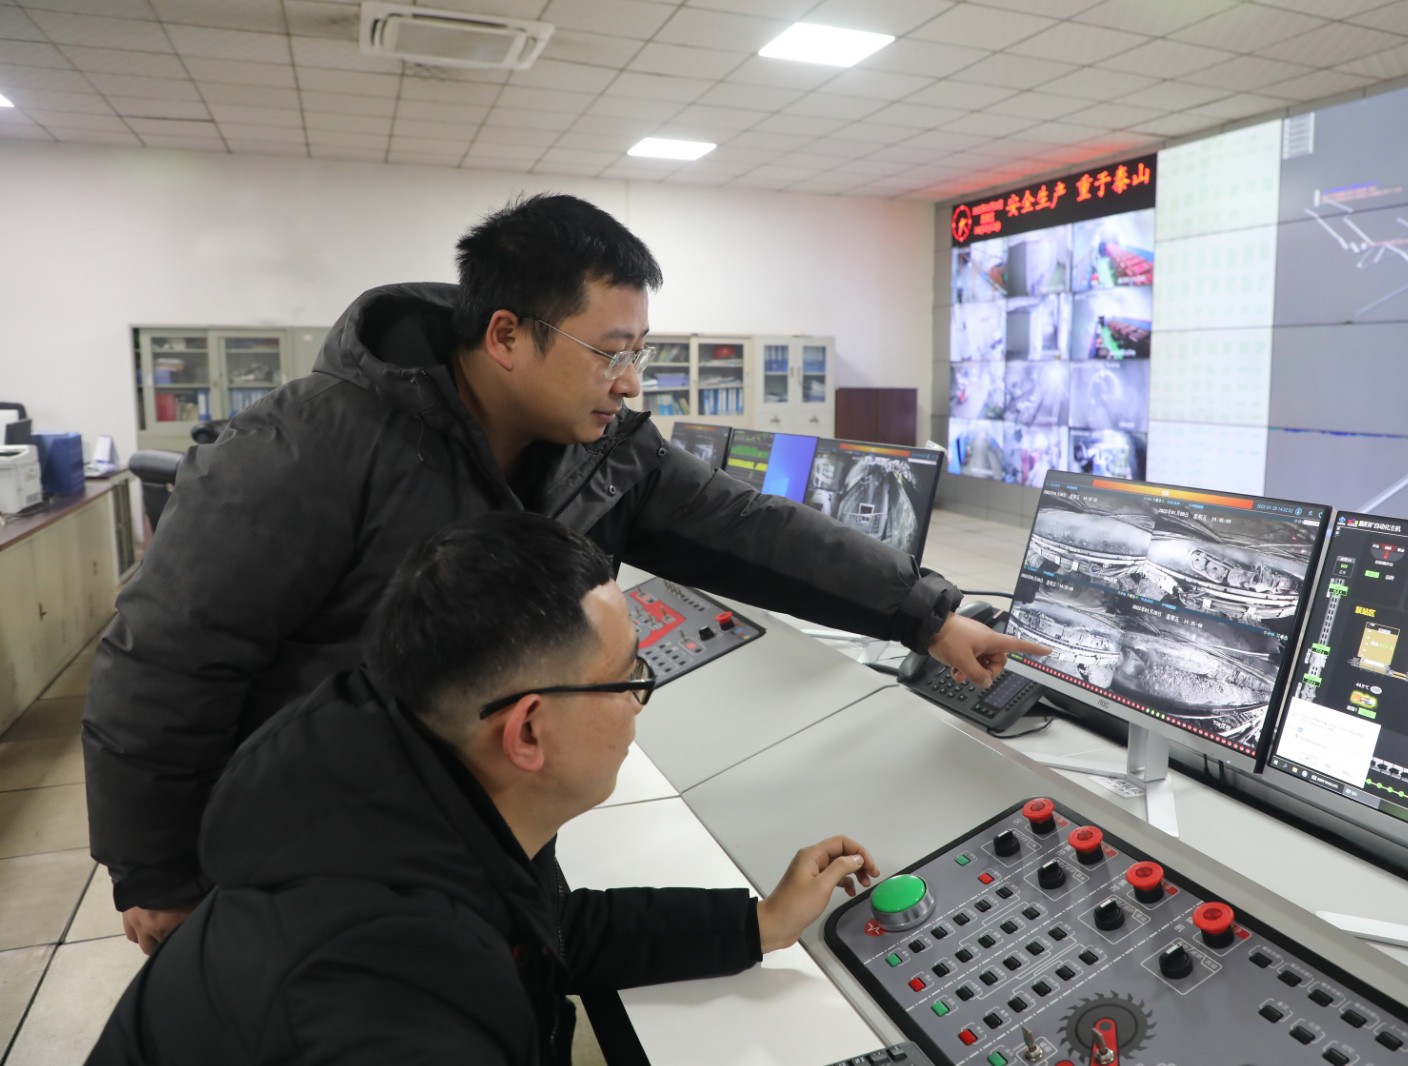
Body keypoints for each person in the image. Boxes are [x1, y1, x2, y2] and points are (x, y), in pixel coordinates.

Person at [84, 192, 1045, 953]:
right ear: (506, 335)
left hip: (482, 822)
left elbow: (746, 528)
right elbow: (165, 661)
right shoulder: (309, 446)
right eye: (608, 353)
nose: (629, 382)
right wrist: (157, 875)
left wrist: (925, 616)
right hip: (316, 844)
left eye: (641, 353)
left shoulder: (605, 452)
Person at [88, 512, 881, 1064]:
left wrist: (758, 924)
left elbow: (545, 933)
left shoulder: (392, 794)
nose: (640, 700)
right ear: (526, 732)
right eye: (626, 677)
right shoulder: (391, 999)